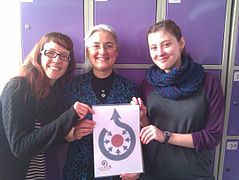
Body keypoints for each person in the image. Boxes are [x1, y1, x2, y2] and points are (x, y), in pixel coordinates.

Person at [131, 19, 225, 180]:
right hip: (153, 175)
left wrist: (166, 136)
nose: (160, 52)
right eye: (153, 47)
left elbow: (212, 137)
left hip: (195, 174)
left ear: (181, 43)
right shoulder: (148, 84)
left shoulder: (209, 82)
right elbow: (151, 134)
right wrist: (143, 118)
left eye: (166, 44)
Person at [0, 32, 89, 180]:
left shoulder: (54, 94)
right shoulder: (17, 88)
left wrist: (70, 136)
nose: (57, 60)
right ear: (39, 55)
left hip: (36, 174)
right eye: (50, 53)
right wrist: (69, 116)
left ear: (68, 62)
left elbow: (43, 136)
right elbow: (20, 147)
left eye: (63, 55)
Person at [63, 24, 140, 180]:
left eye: (109, 46)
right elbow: (58, 133)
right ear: (87, 51)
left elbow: (137, 136)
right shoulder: (72, 88)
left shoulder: (130, 89)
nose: (102, 51)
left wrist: (136, 167)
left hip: (118, 173)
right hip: (79, 172)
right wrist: (73, 133)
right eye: (95, 46)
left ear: (117, 51)